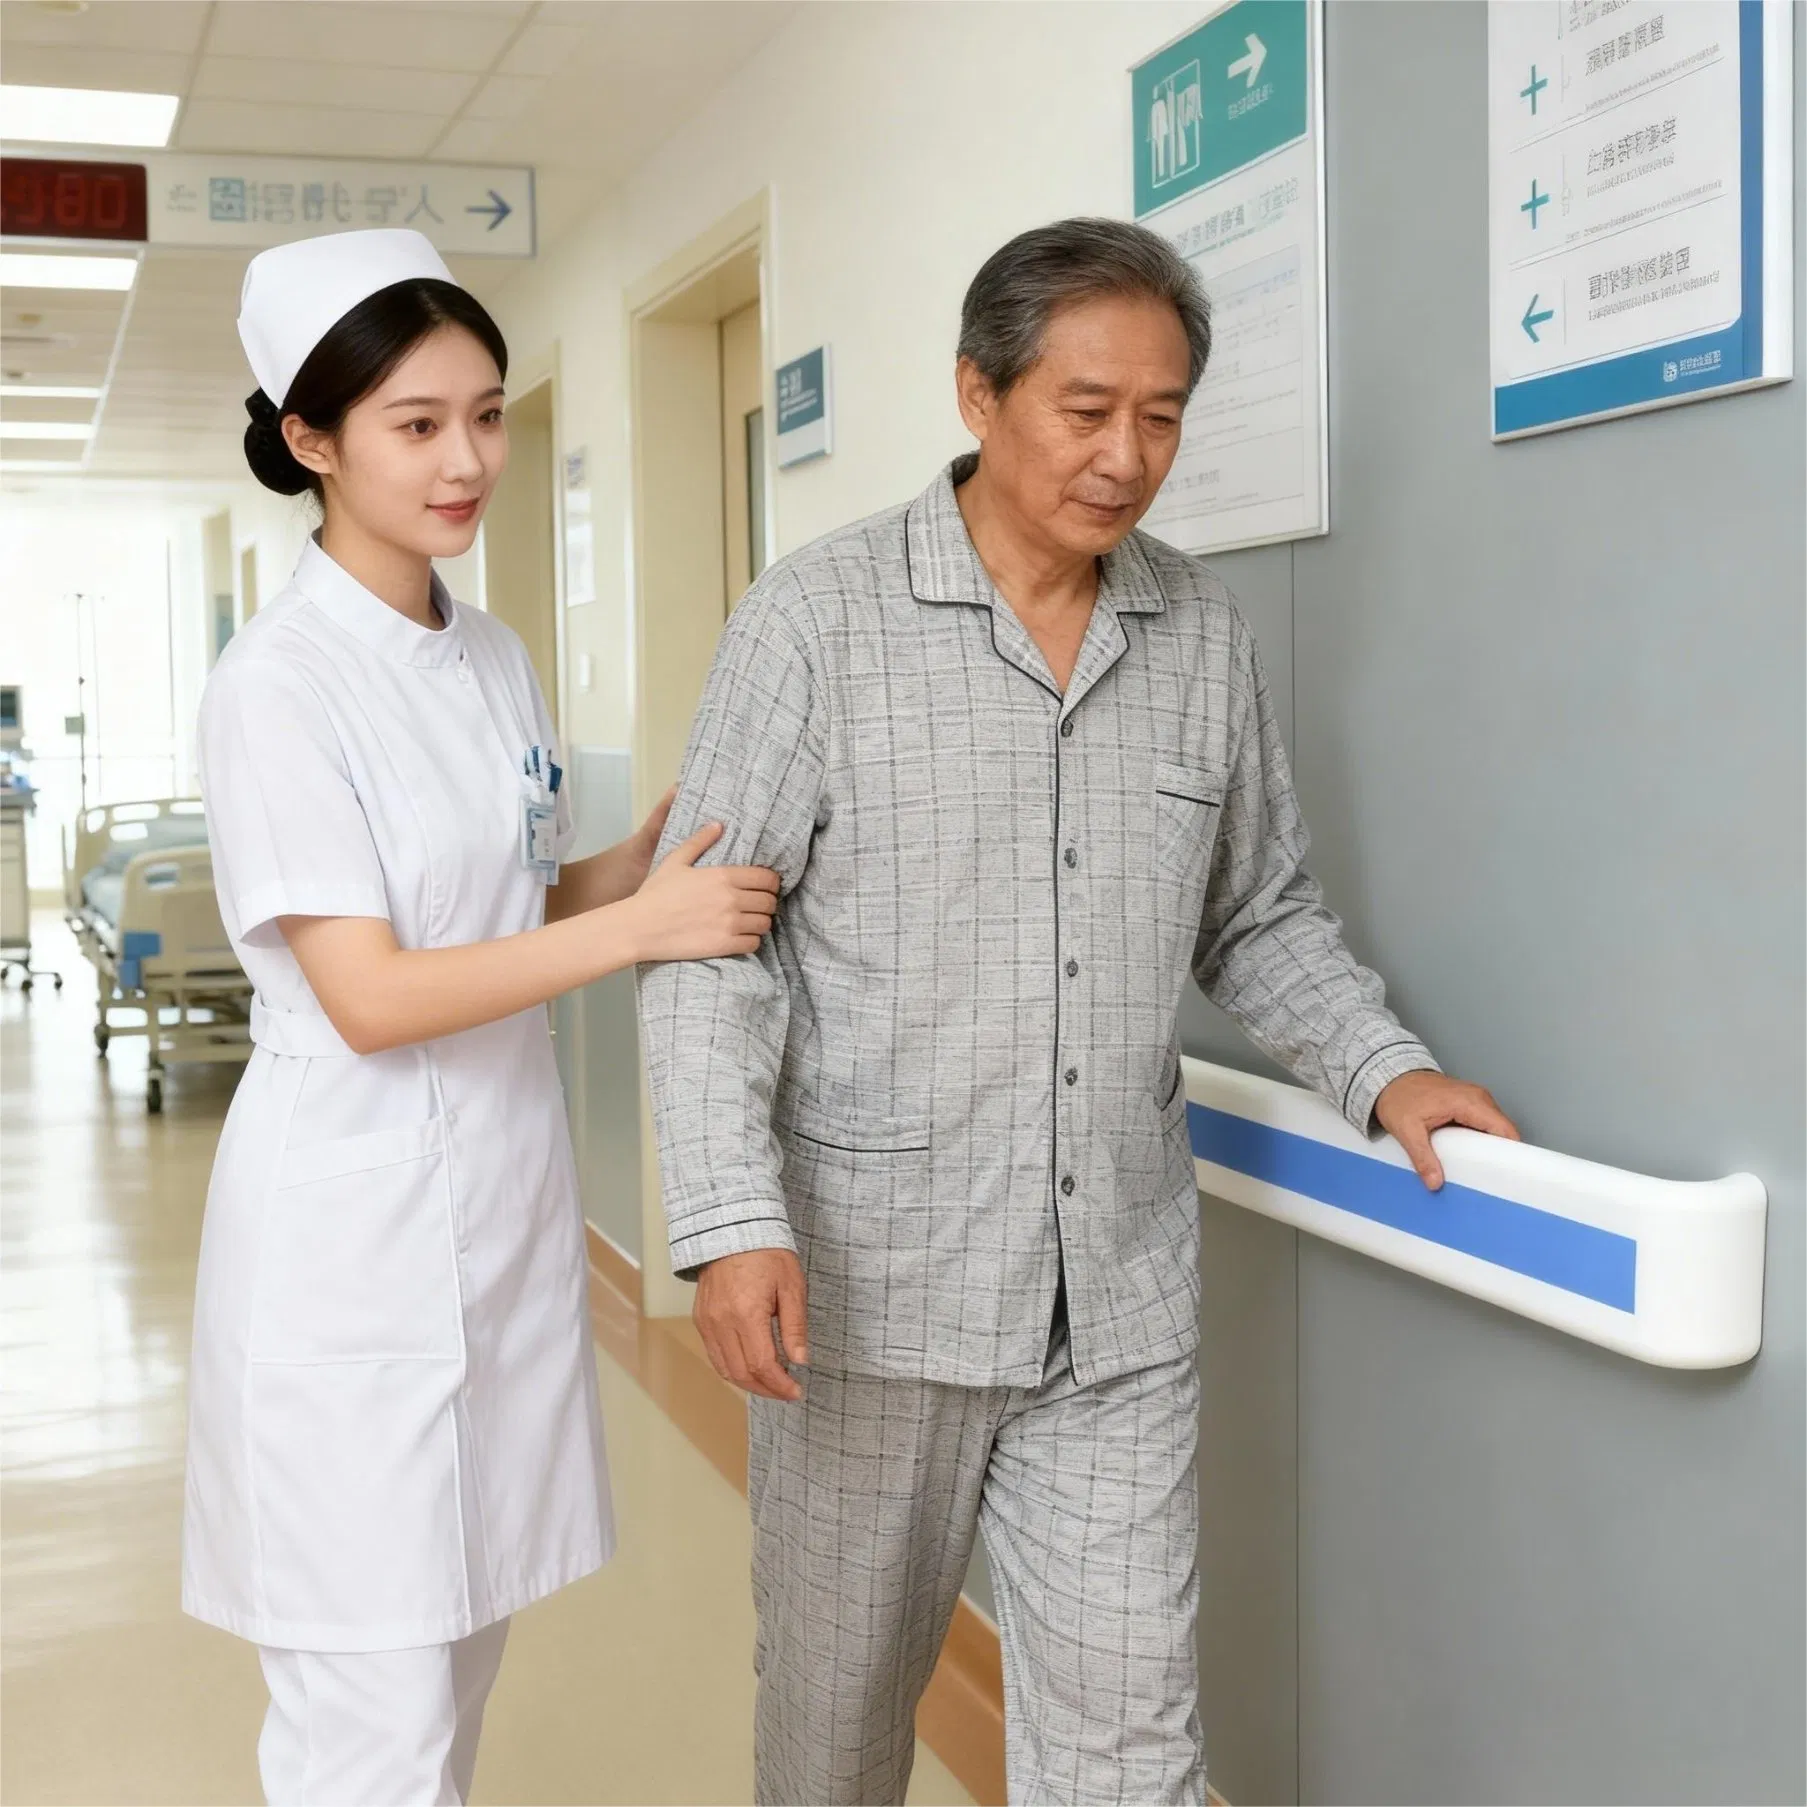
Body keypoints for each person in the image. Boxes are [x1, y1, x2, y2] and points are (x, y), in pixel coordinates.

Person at [637, 217, 1520, 1806]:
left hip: (1113, 1298)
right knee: (834, 1734)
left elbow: (1255, 910)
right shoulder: (814, 622)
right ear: (977, 395)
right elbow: (707, 946)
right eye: (1087, 409)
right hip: (867, 1297)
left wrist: (1381, 1070)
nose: (1126, 457)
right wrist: (726, 1216)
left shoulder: (1198, 638)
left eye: (1161, 415)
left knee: (1130, 1748)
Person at [182, 227, 779, 1806]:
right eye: (418, 423)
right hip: (349, 1239)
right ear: (313, 439)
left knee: (449, 1681)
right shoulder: (278, 683)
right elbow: (372, 992)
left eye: (489, 415)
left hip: (495, 1219)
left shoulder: (494, 653)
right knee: (368, 1726)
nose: (468, 461)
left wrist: (630, 866)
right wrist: (636, 930)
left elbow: (503, 898)